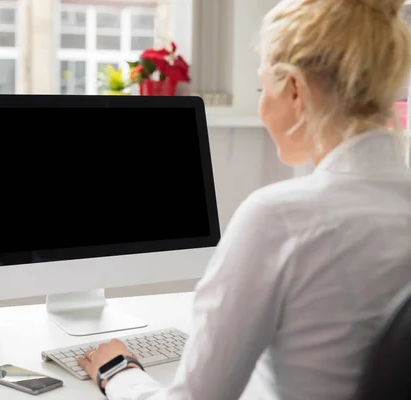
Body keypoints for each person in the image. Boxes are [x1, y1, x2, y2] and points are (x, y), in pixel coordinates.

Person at [76, 0, 411, 399]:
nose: (261, 104)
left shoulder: (280, 219)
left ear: (293, 90)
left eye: (261, 87)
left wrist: (118, 371)